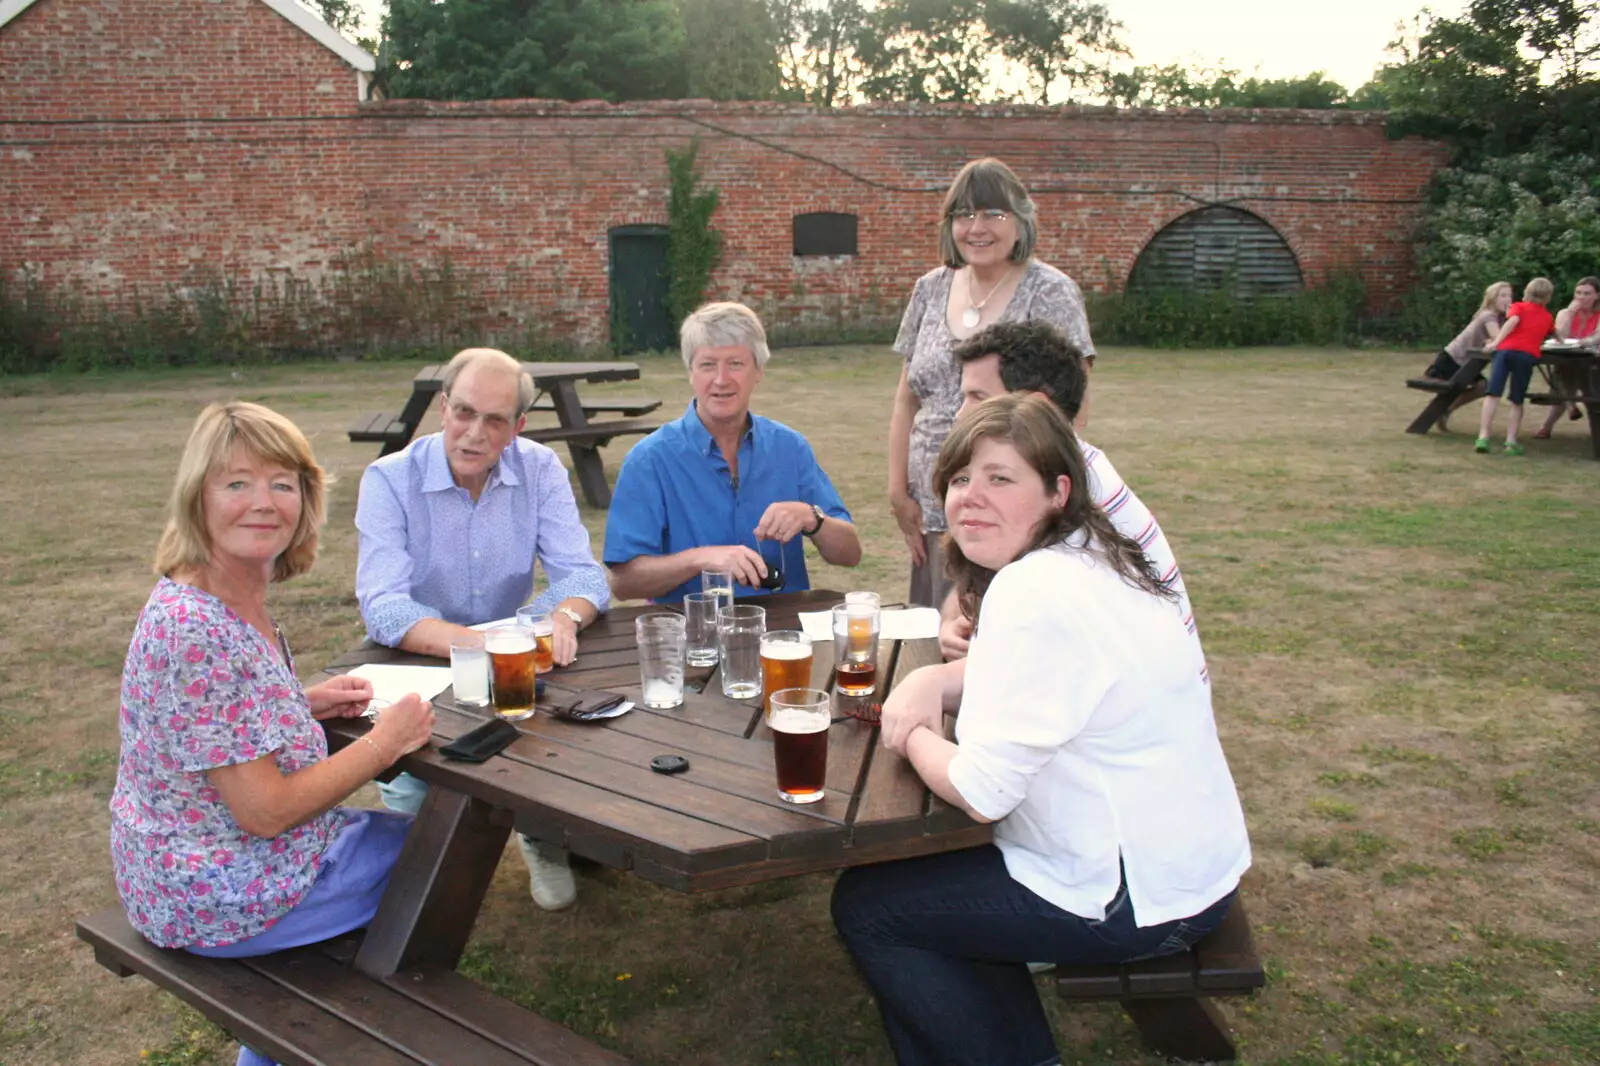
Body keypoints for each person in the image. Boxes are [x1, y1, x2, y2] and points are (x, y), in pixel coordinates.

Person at [831, 393, 1251, 1066]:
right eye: (961, 478)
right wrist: (932, 682)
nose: (971, 497)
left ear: (1059, 490)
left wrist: (908, 730)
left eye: (1001, 478)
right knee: (934, 889)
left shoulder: (1033, 590)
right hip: (1192, 869)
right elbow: (1049, 678)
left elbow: (983, 791)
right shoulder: (1104, 550)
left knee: (872, 906)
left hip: (1134, 898)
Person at [111, 402, 436, 1066]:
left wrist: (295, 704)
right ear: (197, 498)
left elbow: (209, 723)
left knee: (413, 850)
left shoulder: (217, 593)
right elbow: (264, 812)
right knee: (436, 858)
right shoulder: (196, 627)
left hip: (179, 871)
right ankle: (353, 1038)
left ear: (306, 498)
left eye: (282, 483)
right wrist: (387, 740)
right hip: (218, 894)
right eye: (237, 483)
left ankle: (276, 1046)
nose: (263, 503)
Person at [356, 347, 609, 911]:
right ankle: (414, 812)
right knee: (428, 854)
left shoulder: (540, 467)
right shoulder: (390, 479)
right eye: (464, 412)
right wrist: (494, 644)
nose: (474, 433)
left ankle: (541, 833)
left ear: (517, 427)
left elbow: (585, 576)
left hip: (513, 664)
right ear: (443, 407)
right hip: (421, 663)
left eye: (495, 420)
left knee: (558, 732)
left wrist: (559, 617)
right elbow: (385, 608)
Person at [887, 157, 1098, 607]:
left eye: (993, 214)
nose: (976, 227)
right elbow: (908, 397)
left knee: (993, 625)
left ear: (1020, 221)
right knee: (937, 627)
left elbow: (1069, 409)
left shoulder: (1051, 292)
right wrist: (897, 488)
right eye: (964, 215)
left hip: (1008, 508)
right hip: (934, 504)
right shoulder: (930, 288)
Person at [936, 319, 1192, 661]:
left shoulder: (1080, 497)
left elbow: (1066, 658)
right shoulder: (1061, 467)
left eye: (977, 398)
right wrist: (959, 621)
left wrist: (939, 681)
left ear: (1037, 405)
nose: (960, 413)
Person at [605, 302, 862, 602]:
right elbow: (622, 584)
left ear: (758, 371)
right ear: (690, 373)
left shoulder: (789, 448)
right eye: (708, 365)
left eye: (735, 364)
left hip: (781, 637)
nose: (721, 379)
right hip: (693, 636)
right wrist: (701, 559)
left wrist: (812, 518)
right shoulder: (650, 459)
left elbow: (850, 554)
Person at [1476, 278, 1556, 455]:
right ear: (1548, 296)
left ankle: (1483, 436)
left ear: (1527, 291)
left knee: (1493, 394)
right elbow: (1555, 333)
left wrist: (1497, 341)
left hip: (1505, 352)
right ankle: (1511, 441)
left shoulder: (1518, 307)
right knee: (1516, 399)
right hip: (1526, 356)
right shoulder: (1548, 316)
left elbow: (1512, 323)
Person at [1424, 281, 1510, 433]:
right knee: (1480, 386)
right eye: (1502, 296)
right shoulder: (1488, 315)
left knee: (1483, 386)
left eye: (1509, 296)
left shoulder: (1501, 318)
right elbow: (1498, 339)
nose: (1508, 300)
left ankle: (1446, 410)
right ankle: (1443, 410)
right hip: (1450, 360)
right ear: (1492, 298)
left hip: (1467, 363)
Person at [1532, 276, 1600, 440]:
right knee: (1570, 377)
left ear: (1597, 295)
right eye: (1578, 293)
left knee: (1584, 382)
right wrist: (1570, 313)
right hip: (1569, 358)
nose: (1581, 297)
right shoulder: (1565, 313)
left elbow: (1597, 337)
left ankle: (1553, 422)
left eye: (1586, 294)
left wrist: (1582, 342)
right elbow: (1560, 336)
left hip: (1592, 359)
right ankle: (1553, 421)